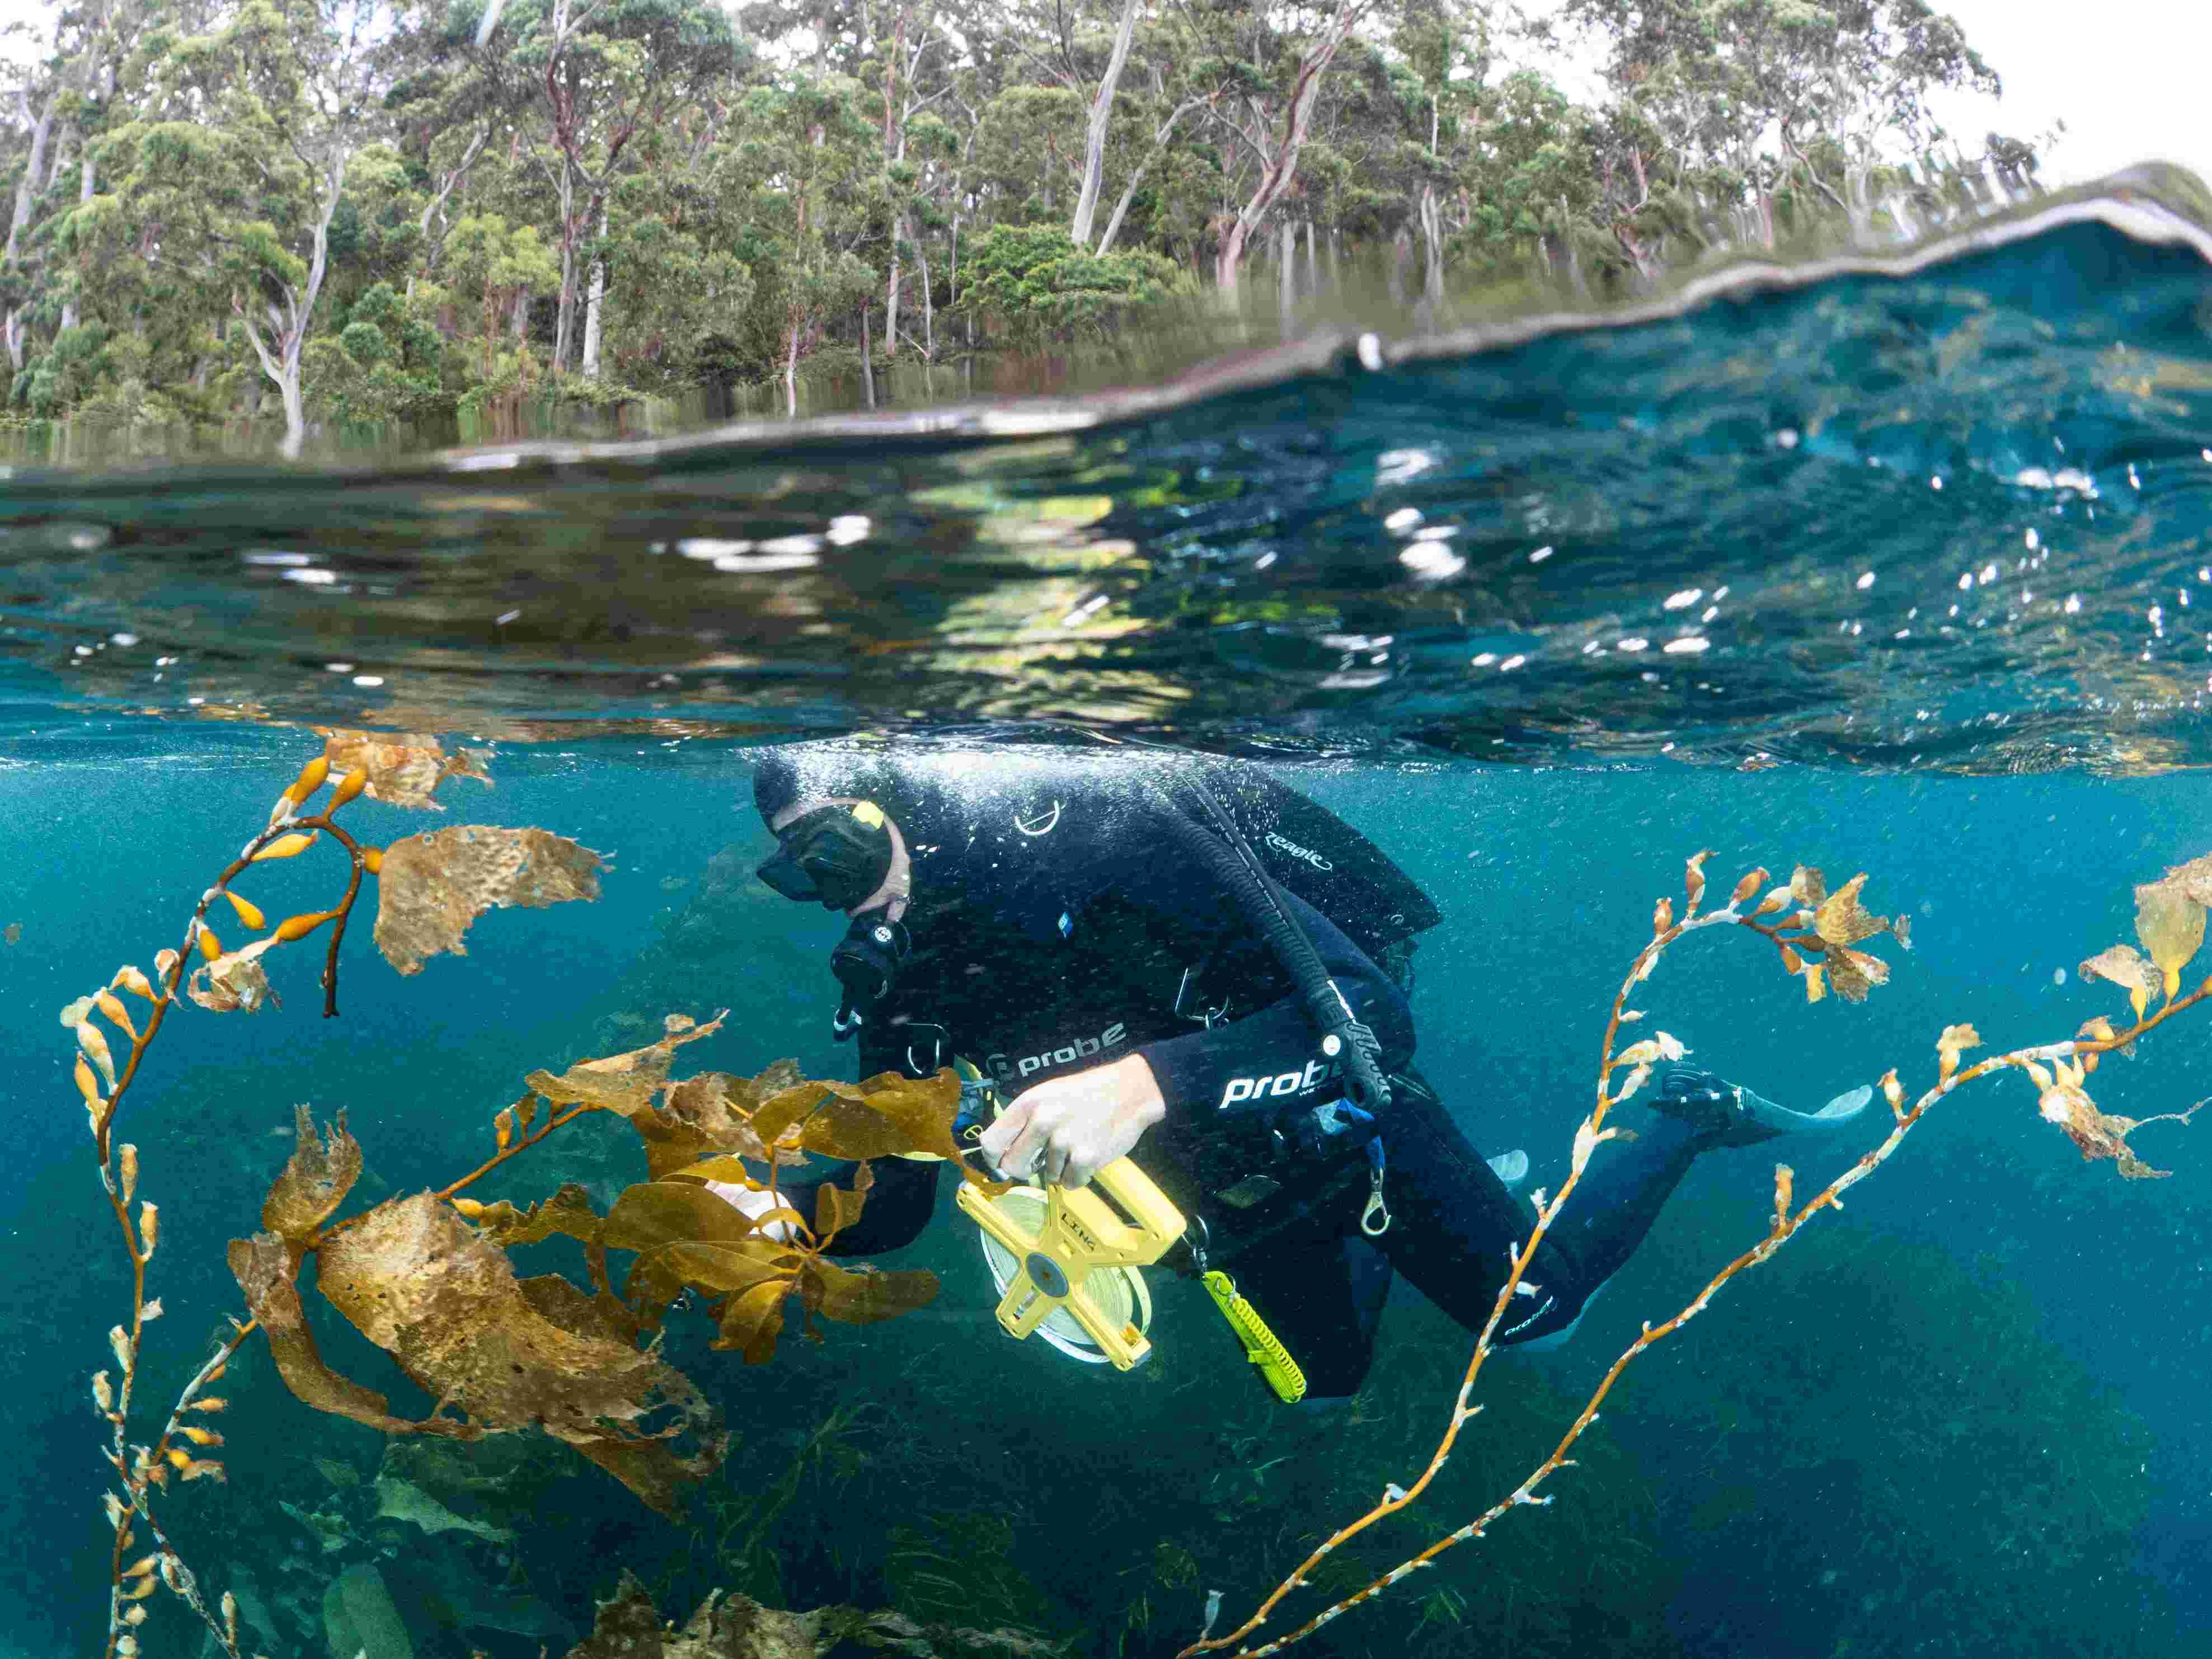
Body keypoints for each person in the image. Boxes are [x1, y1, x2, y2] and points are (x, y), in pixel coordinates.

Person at [729, 735, 1871, 1404]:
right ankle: (1463, 1198)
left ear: (916, 789)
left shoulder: (1106, 829)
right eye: (806, 878)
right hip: (1221, 1200)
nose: (848, 902)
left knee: (1534, 1317)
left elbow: (1371, 1016)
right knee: (1330, 1378)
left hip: (1340, 1119)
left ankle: (1674, 1105)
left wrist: (1148, 1084)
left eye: (840, 852)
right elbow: (891, 1198)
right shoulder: (906, 975)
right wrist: (765, 1213)